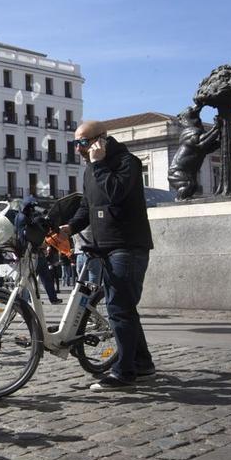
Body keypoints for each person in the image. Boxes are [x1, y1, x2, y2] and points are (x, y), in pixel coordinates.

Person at [60, 120, 155, 391]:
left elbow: (115, 193)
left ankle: (124, 372)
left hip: (128, 245)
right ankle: (143, 364)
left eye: (82, 142)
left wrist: (99, 163)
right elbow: (87, 205)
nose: (78, 148)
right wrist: (70, 227)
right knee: (124, 308)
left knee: (119, 308)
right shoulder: (91, 169)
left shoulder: (127, 162)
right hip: (105, 246)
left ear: (100, 140)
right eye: (75, 143)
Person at [14, 196, 62, 304]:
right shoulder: (23, 218)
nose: (33, 210)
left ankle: (46, 298)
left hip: (35, 252)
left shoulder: (23, 217)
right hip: (30, 253)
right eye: (31, 208)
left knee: (41, 277)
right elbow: (29, 235)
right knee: (29, 279)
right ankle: (26, 302)